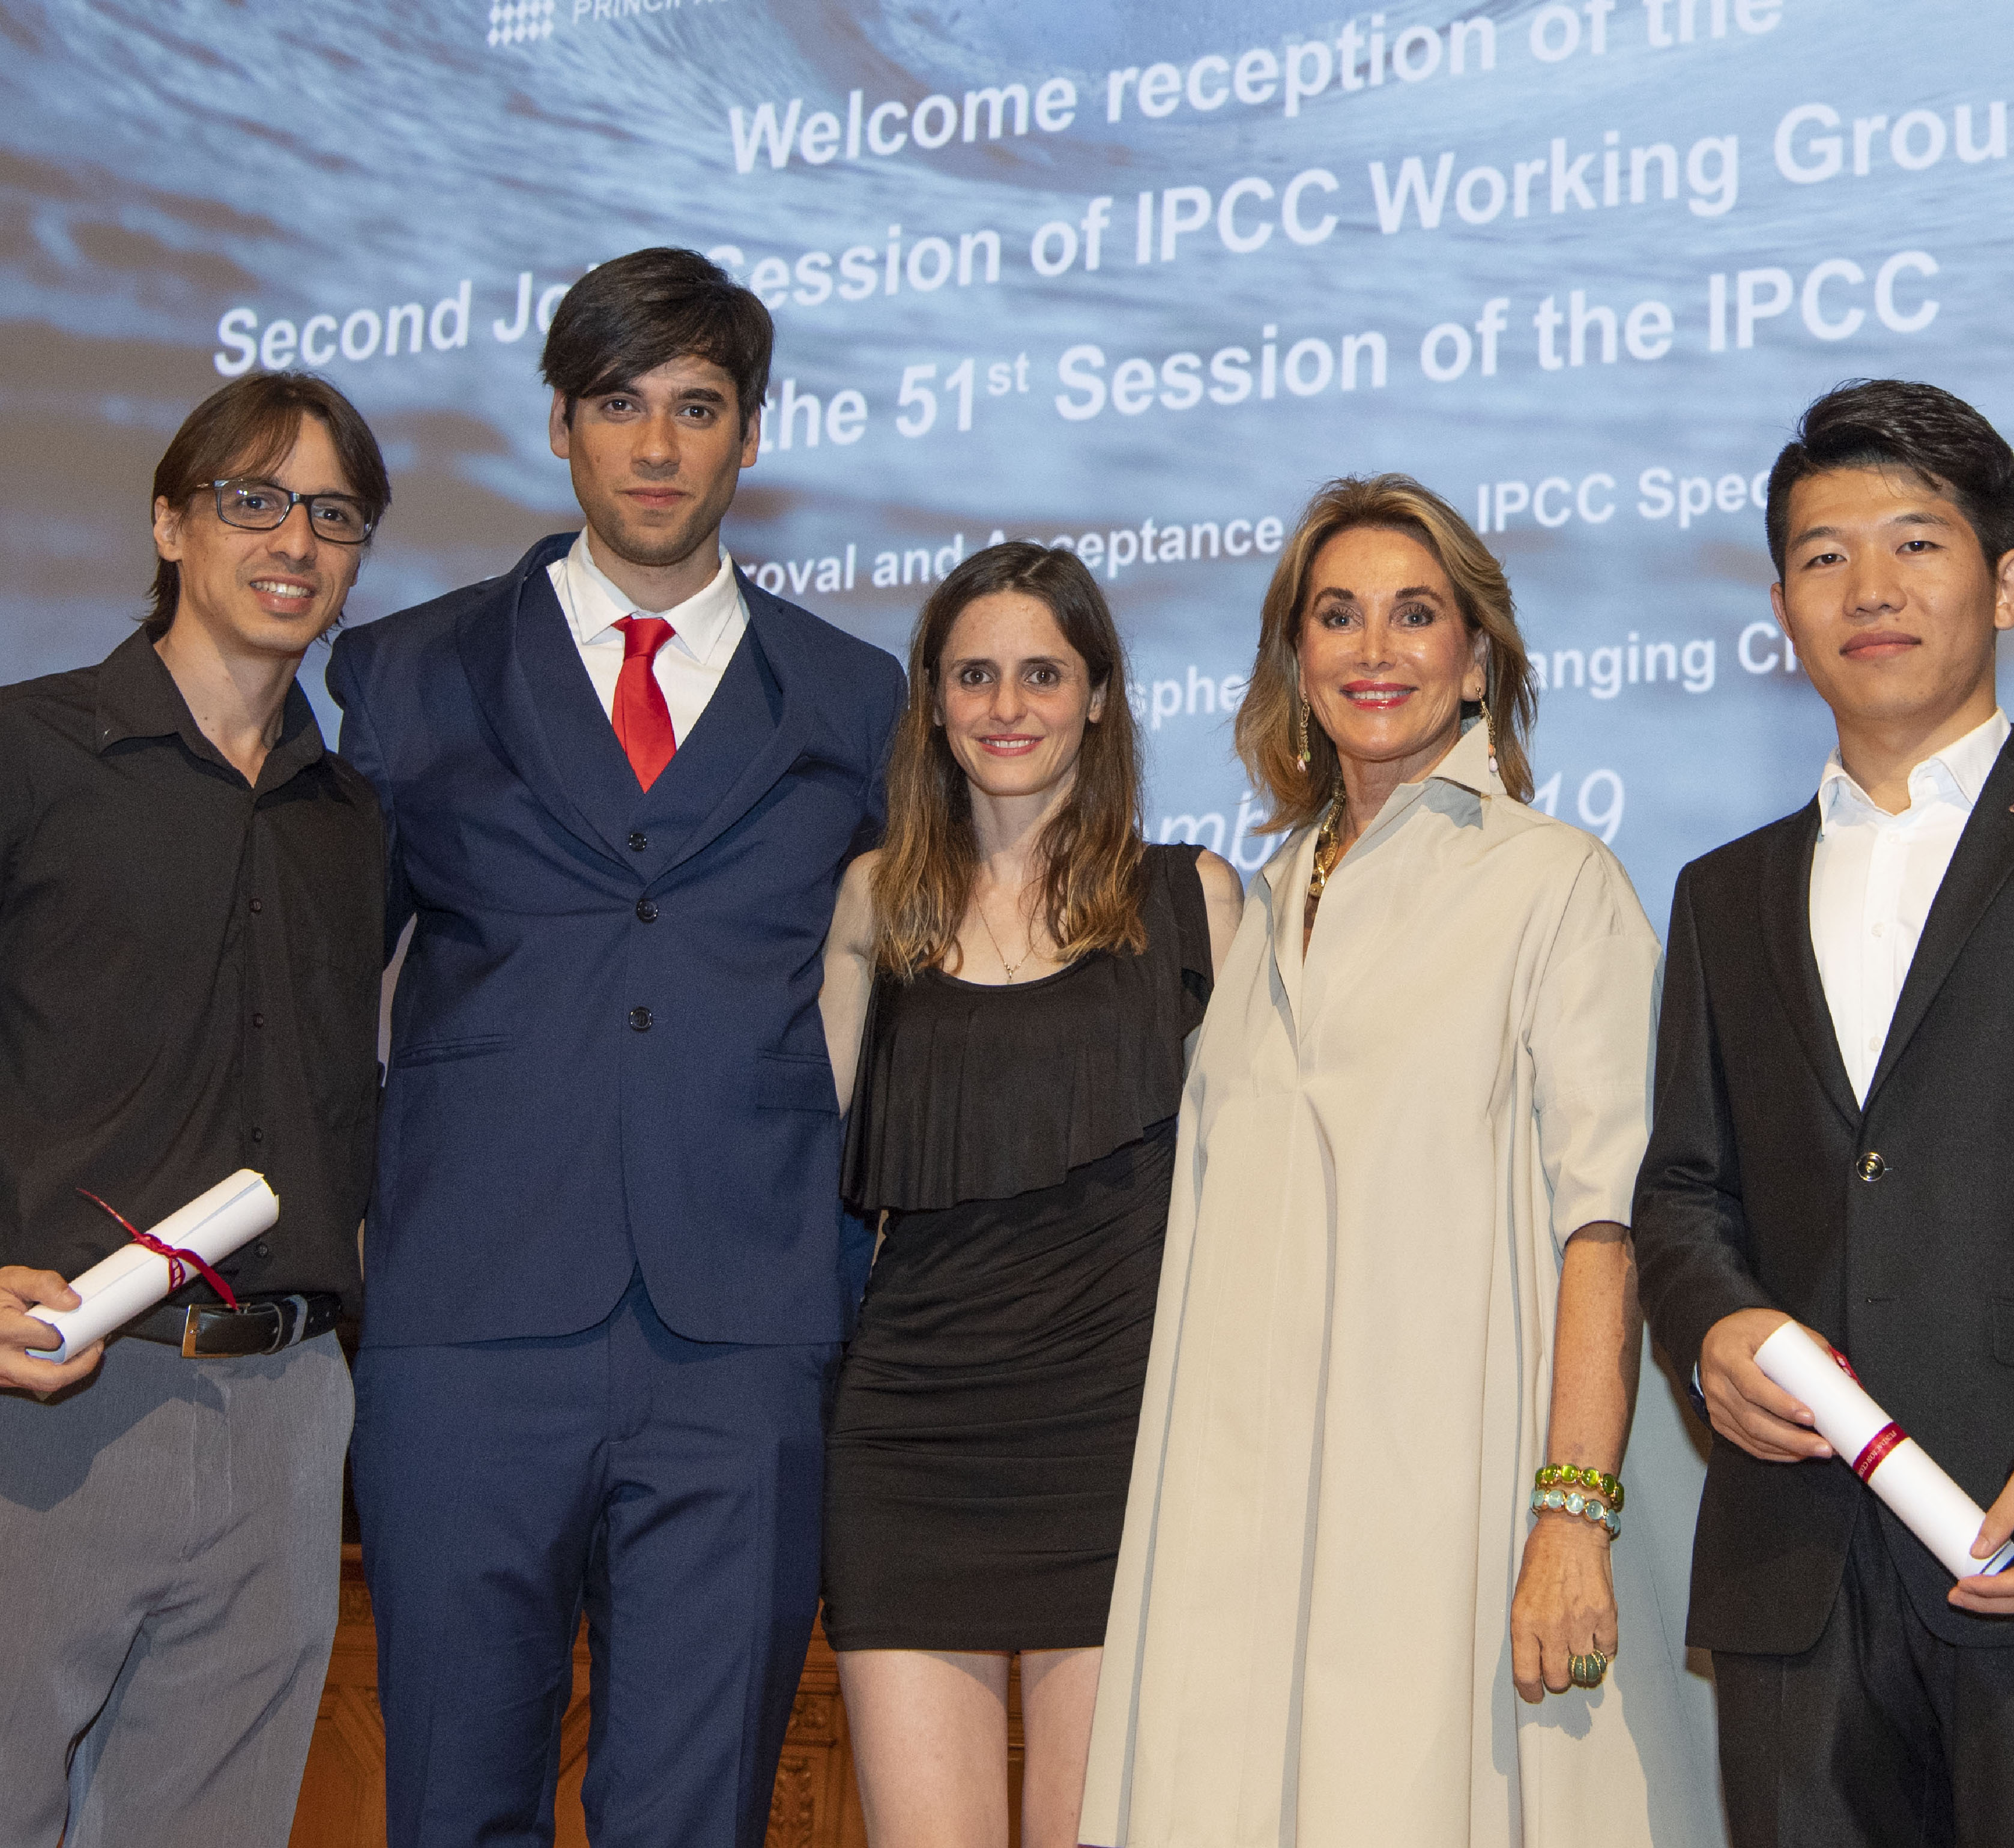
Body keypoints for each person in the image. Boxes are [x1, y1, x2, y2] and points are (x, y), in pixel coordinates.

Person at [1630, 378, 2014, 1848]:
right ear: (1781, 603)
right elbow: (1682, 1190)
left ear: (2007, 581)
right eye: (1823, 553)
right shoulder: (1722, 890)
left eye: (1916, 543)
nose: (1870, 588)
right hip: (1794, 1573)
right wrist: (1711, 1328)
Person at [327, 247, 904, 1847]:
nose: (656, 444)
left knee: (694, 1810)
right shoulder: (405, 668)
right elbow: (304, 997)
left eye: (696, 407)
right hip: (467, 1317)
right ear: (564, 430)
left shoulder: (859, 702)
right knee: (451, 1797)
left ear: (749, 436)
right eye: (618, 403)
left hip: (743, 1333)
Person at [1080, 475, 1725, 1848]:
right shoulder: (1261, 909)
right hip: (1248, 1521)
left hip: (1459, 1503)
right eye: (1337, 616)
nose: (1375, 651)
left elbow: (1603, 1228)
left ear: (1477, 657)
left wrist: (1572, 1516)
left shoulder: (1558, 885)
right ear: (1295, 662)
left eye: (1415, 615)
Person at [0, 372, 390, 1845]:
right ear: (170, 522)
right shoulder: (25, 754)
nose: (294, 536)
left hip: (288, 1413)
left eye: (334, 513)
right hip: (49, 1396)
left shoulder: (355, 825)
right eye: (253, 498)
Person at [814, 542, 1240, 1848]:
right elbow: (808, 1189)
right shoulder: (872, 904)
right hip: (906, 1454)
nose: (1008, 706)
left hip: (1117, 1460)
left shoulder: (1199, 904)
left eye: (1042, 675)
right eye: (975, 675)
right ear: (934, 703)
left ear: (1100, 696)